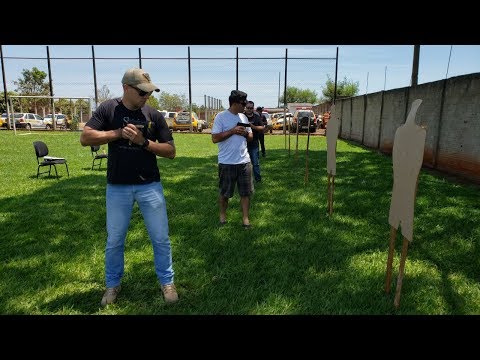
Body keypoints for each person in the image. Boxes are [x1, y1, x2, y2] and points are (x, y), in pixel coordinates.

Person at [79, 68, 179, 306]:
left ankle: (167, 282)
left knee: (160, 238)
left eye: (149, 92)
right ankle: (112, 285)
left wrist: (143, 142)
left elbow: (171, 152)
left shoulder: (153, 115)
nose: (147, 97)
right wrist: (117, 133)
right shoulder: (108, 109)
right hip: (118, 187)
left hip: (150, 186)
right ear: (126, 88)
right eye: (142, 92)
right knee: (115, 240)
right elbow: (85, 138)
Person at [211, 90, 254, 228]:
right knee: (225, 193)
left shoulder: (244, 117)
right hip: (227, 162)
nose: (245, 106)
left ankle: (245, 219)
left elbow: (251, 137)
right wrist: (232, 131)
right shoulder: (221, 117)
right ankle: (223, 215)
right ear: (235, 103)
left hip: (244, 161)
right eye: (243, 103)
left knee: (245, 193)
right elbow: (214, 138)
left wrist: (246, 133)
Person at [244, 101, 264, 182]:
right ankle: (245, 179)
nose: (249, 109)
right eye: (248, 108)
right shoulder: (242, 116)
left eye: (251, 108)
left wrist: (253, 127)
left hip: (254, 143)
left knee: (255, 163)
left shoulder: (256, 116)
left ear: (253, 108)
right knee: (244, 163)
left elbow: (262, 127)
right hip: (243, 144)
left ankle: (258, 179)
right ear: (245, 107)